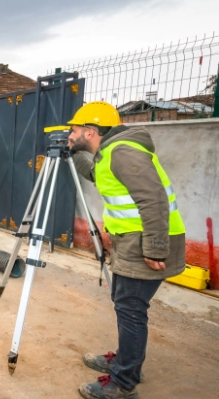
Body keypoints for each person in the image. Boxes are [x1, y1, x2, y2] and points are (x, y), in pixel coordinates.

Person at [67, 102, 185, 399]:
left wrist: (157, 249)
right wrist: (73, 152)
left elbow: (154, 198)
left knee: (131, 310)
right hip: (131, 240)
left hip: (147, 242)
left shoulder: (123, 152)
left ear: (91, 131)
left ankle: (124, 382)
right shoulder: (108, 154)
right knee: (126, 305)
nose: (70, 133)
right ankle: (126, 362)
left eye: (74, 129)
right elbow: (94, 175)